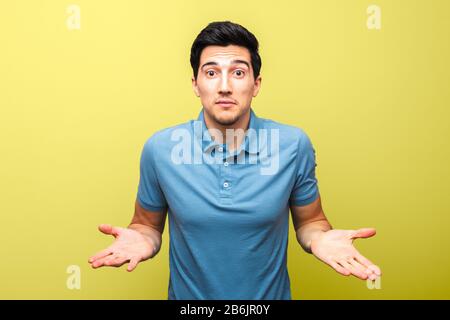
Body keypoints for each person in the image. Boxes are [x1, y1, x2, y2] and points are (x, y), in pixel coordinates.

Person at [88, 21, 381, 299]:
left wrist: (321, 239)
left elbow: (311, 221)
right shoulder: (161, 149)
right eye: (212, 73)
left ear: (256, 84)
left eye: (238, 73)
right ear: (195, 84)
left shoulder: (293, 145)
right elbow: (146, 225)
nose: (224, 86)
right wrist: (142, 239)